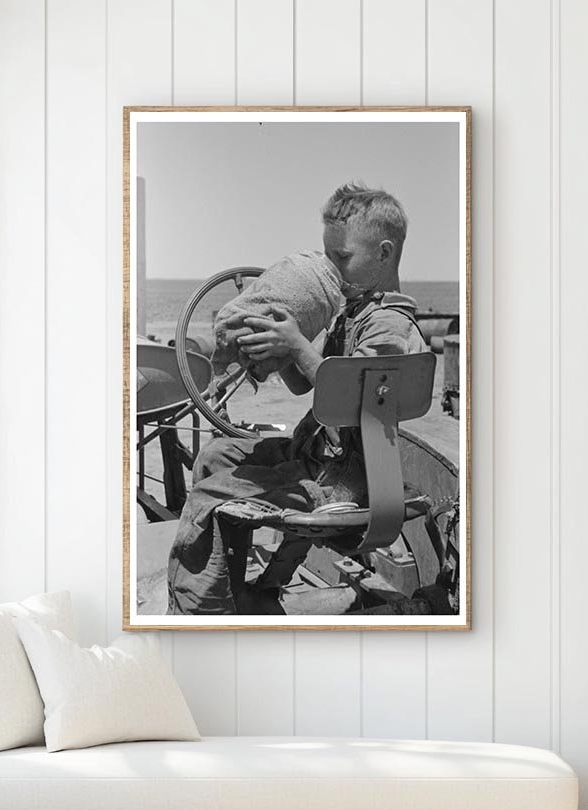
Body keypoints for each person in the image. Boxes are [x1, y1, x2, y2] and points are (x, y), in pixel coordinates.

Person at [167, 182, 426, 615]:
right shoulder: (354, 312)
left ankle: (202, 610)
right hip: (317, 457)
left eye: (343, 257)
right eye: (329, 256)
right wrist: (284, 348)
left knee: (209, 496)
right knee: (217, 457)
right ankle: (242, 586)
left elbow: (347, 404)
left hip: (346, 482)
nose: (333, 268)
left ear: (383, 254)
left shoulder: (388, 326)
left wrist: (299, 345)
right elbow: (304, 386)